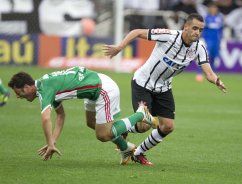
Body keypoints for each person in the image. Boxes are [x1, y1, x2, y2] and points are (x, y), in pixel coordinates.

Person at [103, 13, 226, 165]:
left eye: (200, 30)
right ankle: (122, 128)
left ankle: (138, 153)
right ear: (185, 27)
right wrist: (120, 47)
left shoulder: (199, 48)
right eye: (194, 28)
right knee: (144, 126)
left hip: (164, 88)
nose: (197, 33)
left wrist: (217, 80)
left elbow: (208, 73)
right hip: (143, 83)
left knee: (168, 126)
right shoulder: (169, 36)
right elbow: (136, 32)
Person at [8, 66, 157, 165]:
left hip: (102, 88)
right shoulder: (45, 84)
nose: (19, 97)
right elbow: (60, 116)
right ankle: (126, 148)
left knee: (102, 134)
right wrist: (52, 141)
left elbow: (46, 118)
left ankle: (140, 114)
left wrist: (51, 143)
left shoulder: (44, 89)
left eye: (19, 93)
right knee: (91, 122)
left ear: (27, 87)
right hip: (92, 87)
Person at [195, 2, 224, 82]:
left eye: (215, 8)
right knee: (205, 57)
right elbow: (201, 29)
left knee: (215, 57)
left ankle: (213, 74)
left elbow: (221, 30)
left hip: (216, 40)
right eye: (212, 8)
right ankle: (199, 73)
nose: (213, 9)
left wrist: (222, 40)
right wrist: (201, 38)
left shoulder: (220, 17)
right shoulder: (206, 18)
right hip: (207, 40)